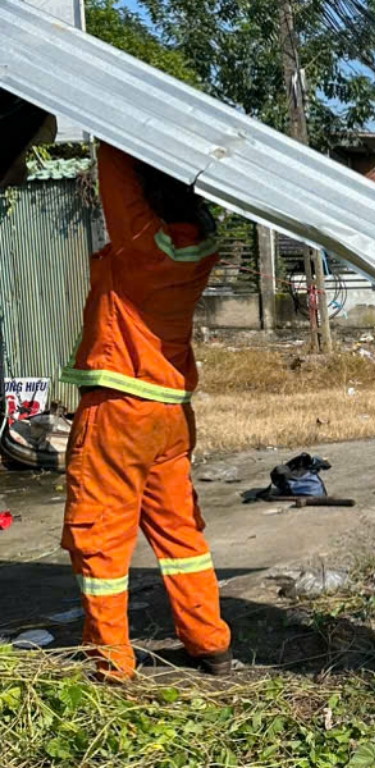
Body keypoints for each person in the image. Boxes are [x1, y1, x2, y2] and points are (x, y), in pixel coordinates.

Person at [60, 144, 233, 682]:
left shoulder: (140, 240)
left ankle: (110, 661)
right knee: (180, 532)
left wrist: (110, 122)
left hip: (119, 409)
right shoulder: (200, 249)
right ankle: (209, 642)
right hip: (170, 413)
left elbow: (113, 169)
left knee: (100, 536)